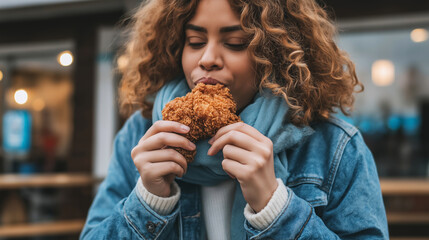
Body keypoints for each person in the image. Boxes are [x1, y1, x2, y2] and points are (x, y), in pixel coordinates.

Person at [80, 0, 389, 239]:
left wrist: (275, 207)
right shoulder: (142, 132)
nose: (207, 58)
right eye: (195, 41)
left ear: (276, 54)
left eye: (236, 43)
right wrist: (148, 200)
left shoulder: (333, 146)